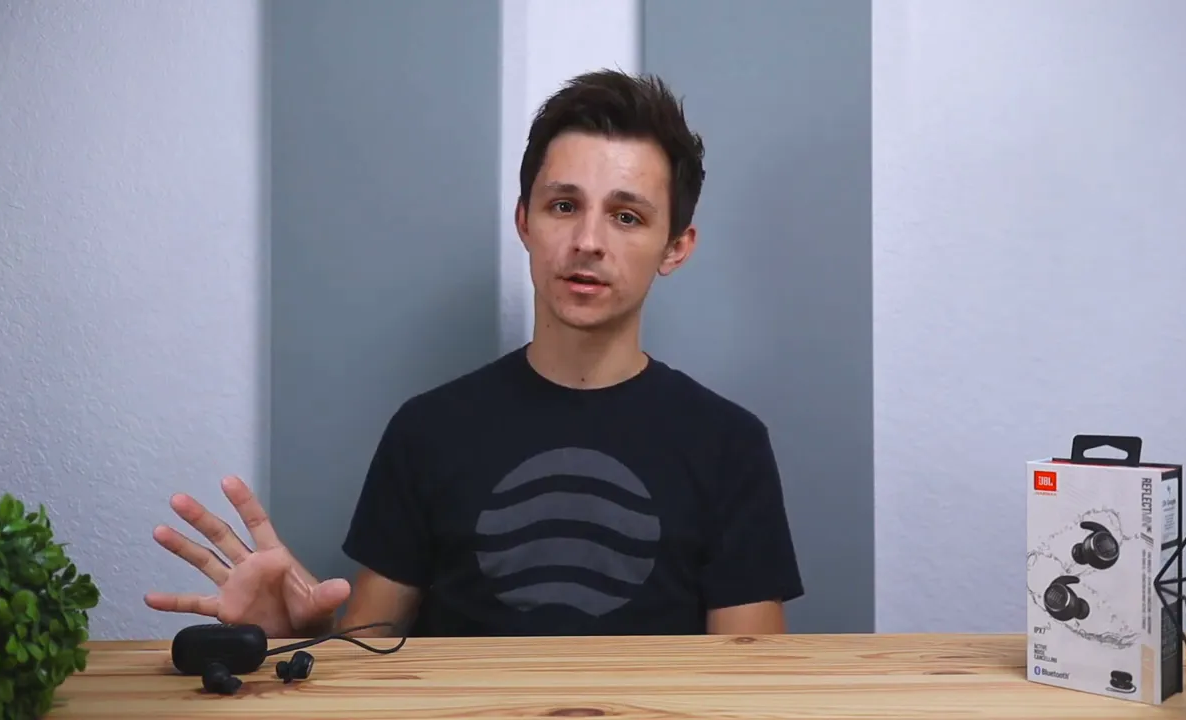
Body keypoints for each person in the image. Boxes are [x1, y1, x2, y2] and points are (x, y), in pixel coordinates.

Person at [144, 69, 804, 639]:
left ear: (676, 247)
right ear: (525, 221)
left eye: (627, 216)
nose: (588, 240)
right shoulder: (428, 432)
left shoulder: (729, 447)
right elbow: (370, 658)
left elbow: (747, 687)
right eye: (563, 205)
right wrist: (303, 640)